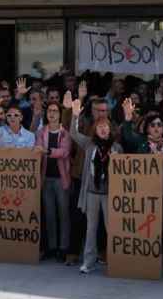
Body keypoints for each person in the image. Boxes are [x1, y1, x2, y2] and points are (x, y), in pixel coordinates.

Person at [120, 99, 163, 278]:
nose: (156, 128)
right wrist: (128, 117)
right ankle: (151, 261)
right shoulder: (142, 145)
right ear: (147, 129)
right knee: (150, 228)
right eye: (153, 125)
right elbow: (127, 136)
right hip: (148, 195)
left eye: (159, 125)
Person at [70, 94, 123, 274]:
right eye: (99, 127)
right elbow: (73, 133)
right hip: (92, 193)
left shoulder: (117, 148)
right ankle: (88, 261)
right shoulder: (89, 144)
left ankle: (114, 260)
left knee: (110, 229)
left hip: (109, 193)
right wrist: (75, 115)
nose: (102, 129)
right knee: (91, 228)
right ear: (95, 129)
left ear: (110, 129)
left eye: (105, 127)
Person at [37, 99, 72, 263]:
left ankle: (63, 248)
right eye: (49, 110)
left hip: (61, 179)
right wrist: (42, 151)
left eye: (55, 111)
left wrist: (47, 151)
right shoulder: (41, 132)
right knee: (49, 214)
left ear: (60, 114)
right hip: (46, 178)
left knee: (63, 214)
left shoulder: (65, 133)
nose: (51, 113)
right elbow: (37, 150)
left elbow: (64, 152)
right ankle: (52, 247)